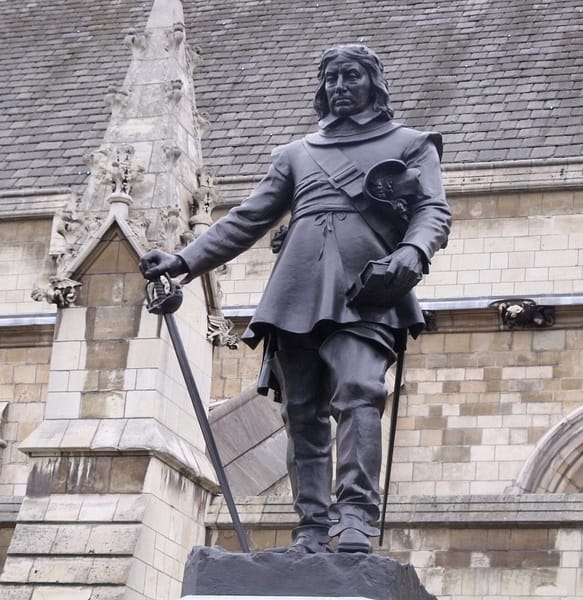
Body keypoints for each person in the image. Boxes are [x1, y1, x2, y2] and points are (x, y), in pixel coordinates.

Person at [140, 44, 450, 553]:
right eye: (331, 78)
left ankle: (354, 518)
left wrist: (413, 250)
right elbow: (247, 218)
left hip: (365, 289)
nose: (340, 86)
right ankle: (310, 528)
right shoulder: (295, 155)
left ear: (373, 82)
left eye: (351, 76)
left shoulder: (412, 144)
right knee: (302, 413)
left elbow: (433, 211)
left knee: (359, 388)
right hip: (297, 289)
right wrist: (182, 261)